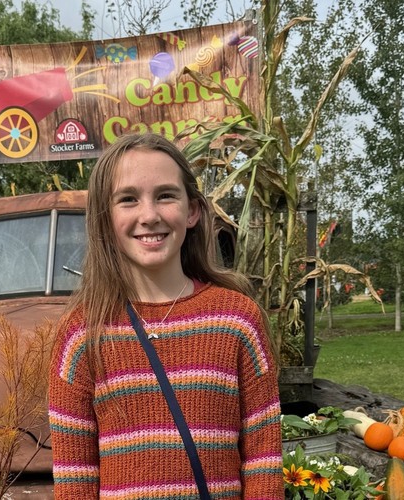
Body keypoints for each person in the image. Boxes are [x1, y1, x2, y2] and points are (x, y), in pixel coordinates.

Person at [48, 132, 283, 499]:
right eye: (128, 199)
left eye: (165, 195)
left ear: (192, 211)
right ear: (105, 219)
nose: (149, 215)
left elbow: (263, 461)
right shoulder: (82, 334)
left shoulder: (237, 321)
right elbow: (74, 479)